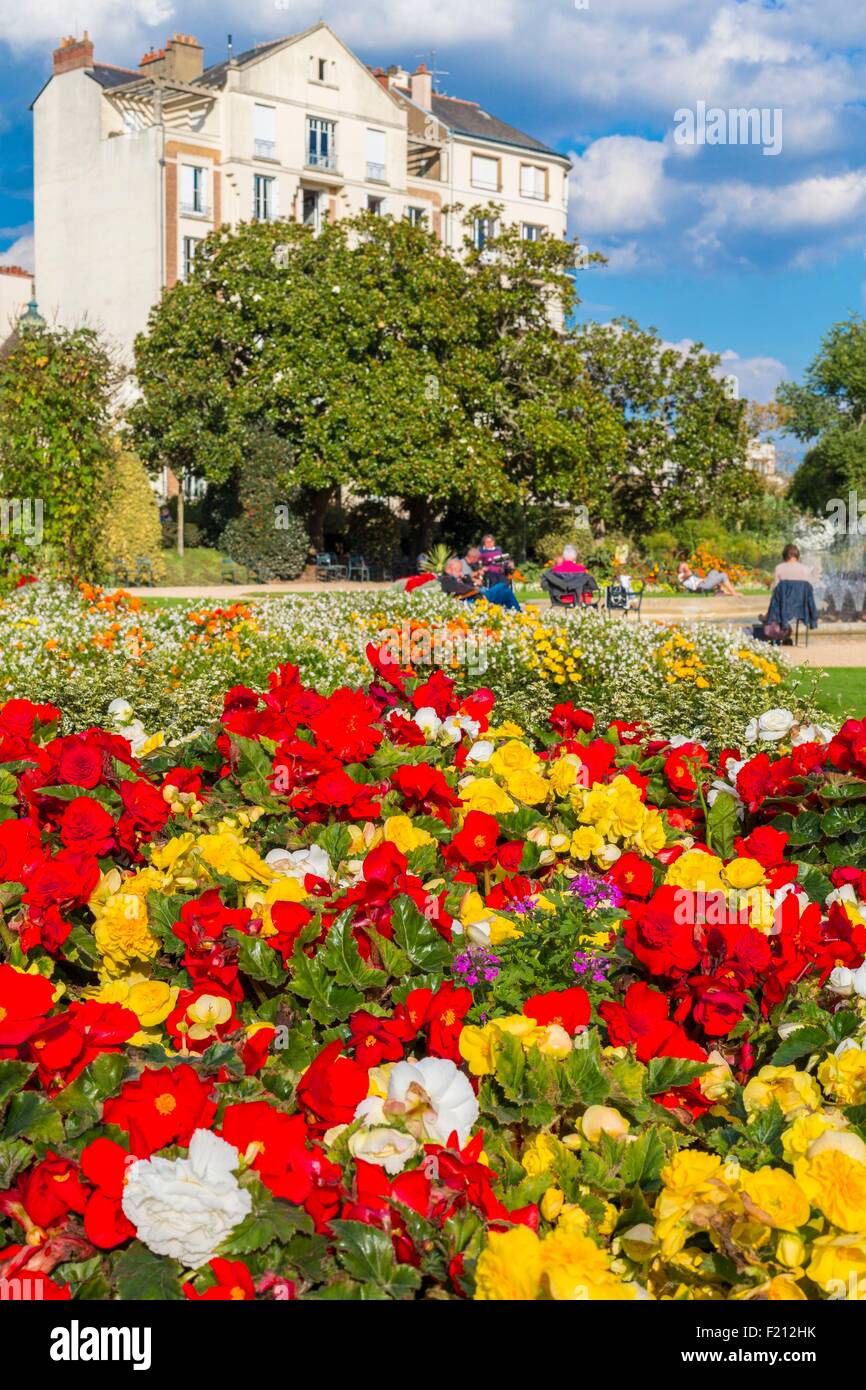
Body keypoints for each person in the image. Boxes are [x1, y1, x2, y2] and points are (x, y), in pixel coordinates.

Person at [439, 557, 521, 611]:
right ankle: (518, 613)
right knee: (501, 586)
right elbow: (460, 589)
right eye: (459, 570)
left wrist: (465, 577)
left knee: (506, 591)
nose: (460, 573)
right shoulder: (446, 579)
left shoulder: (452, 578)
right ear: (450, 569)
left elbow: (467, 586)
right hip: (476, 600)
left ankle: (517, 613)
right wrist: (479, 593)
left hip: (477, 597)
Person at [677, 553, 742, 597]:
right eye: (683, 567)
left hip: (703, 583)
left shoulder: (685, 574)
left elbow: (691, 577)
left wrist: (702, 579)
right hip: (702, 586)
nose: (685, 567)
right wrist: (686, 567)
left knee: (714, 571)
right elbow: (689, 573)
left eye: (685, 566)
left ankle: (719, 592)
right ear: (679, 570)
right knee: (723, 575)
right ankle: (734, 593)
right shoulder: (680, 576)